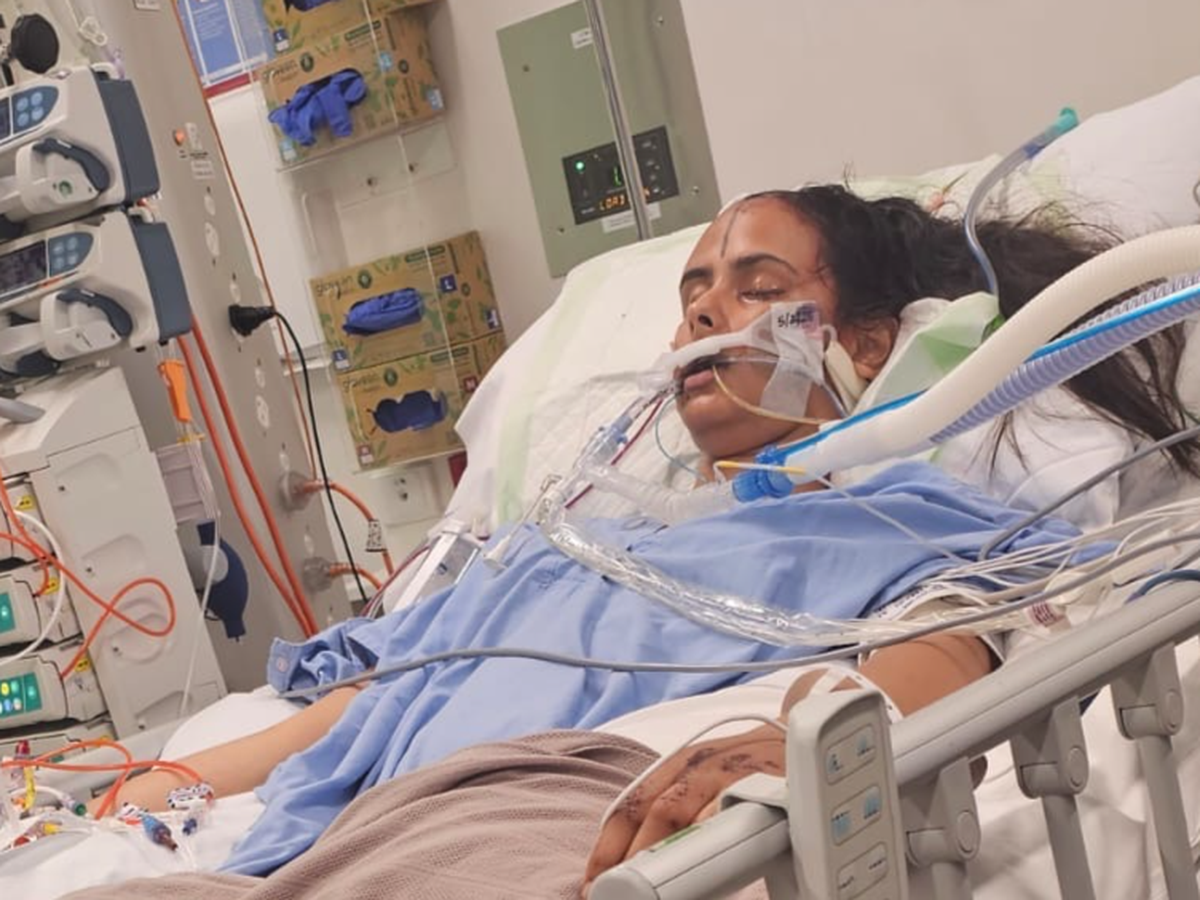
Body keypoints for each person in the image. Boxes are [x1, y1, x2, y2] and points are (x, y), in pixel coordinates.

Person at [66, 186, 1196, 896]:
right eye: (693, 290)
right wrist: (147, 779)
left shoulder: (893, 512)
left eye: (756, 288)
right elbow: (384, 693)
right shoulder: (570, 542)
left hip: (536, 820)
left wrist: (794, 746)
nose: (702, 312)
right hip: (331, 846)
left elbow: (951, 636)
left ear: (859, 345)